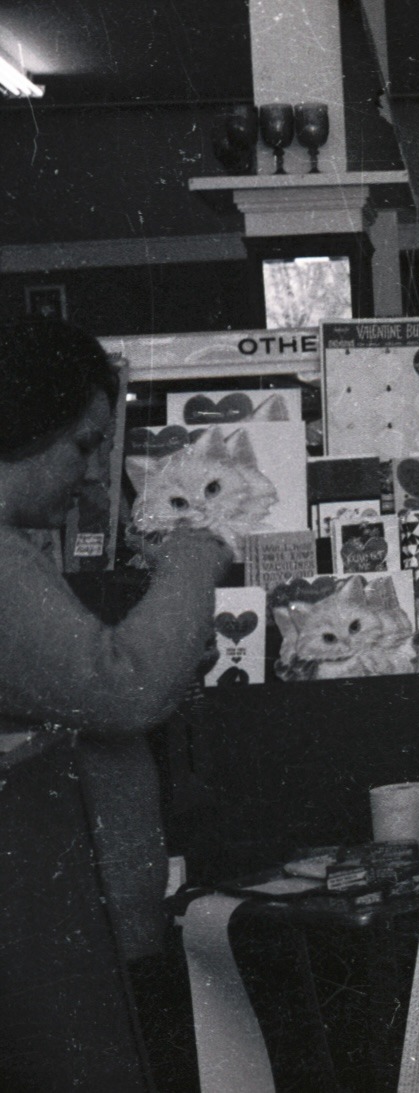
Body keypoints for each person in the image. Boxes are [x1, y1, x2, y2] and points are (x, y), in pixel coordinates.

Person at [0, 317, 232, 965]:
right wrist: (194, 555)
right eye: (85, 445)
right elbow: (121, 689)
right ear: (25, 427)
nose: (99, 472)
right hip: (54, 955)